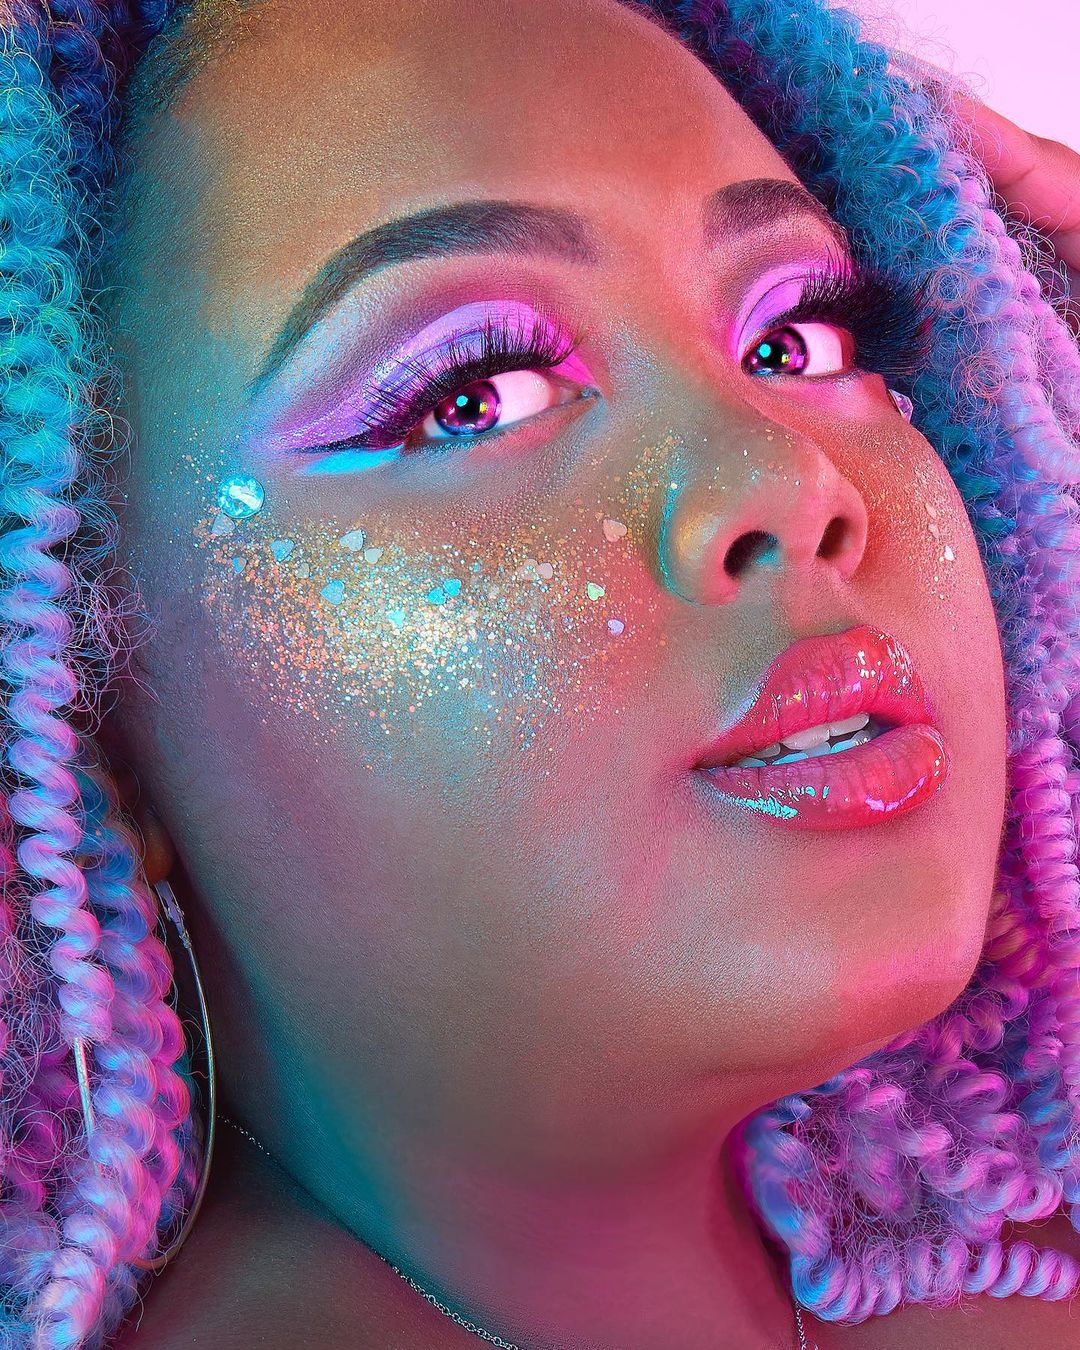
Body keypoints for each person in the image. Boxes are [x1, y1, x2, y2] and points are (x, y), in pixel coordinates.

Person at [0, 0, 1077, 1346]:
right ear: (87, 705)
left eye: (795, 339)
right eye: (474, 395)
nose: (789, 481)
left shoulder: (988, 1213)